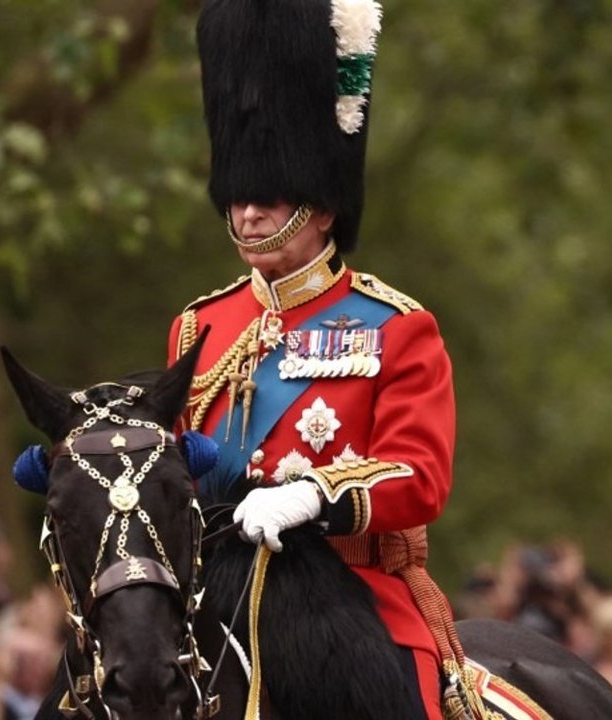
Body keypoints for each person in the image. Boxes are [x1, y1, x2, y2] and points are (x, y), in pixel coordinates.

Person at [167, 2, 468, 718]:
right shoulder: (197, 327)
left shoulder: (396, 326)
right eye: (238, 199)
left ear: (323, 207)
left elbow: (420, 475)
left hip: (352, 598)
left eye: (267, 199)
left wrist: (315, 496)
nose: (247, 216)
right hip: (216, 601)